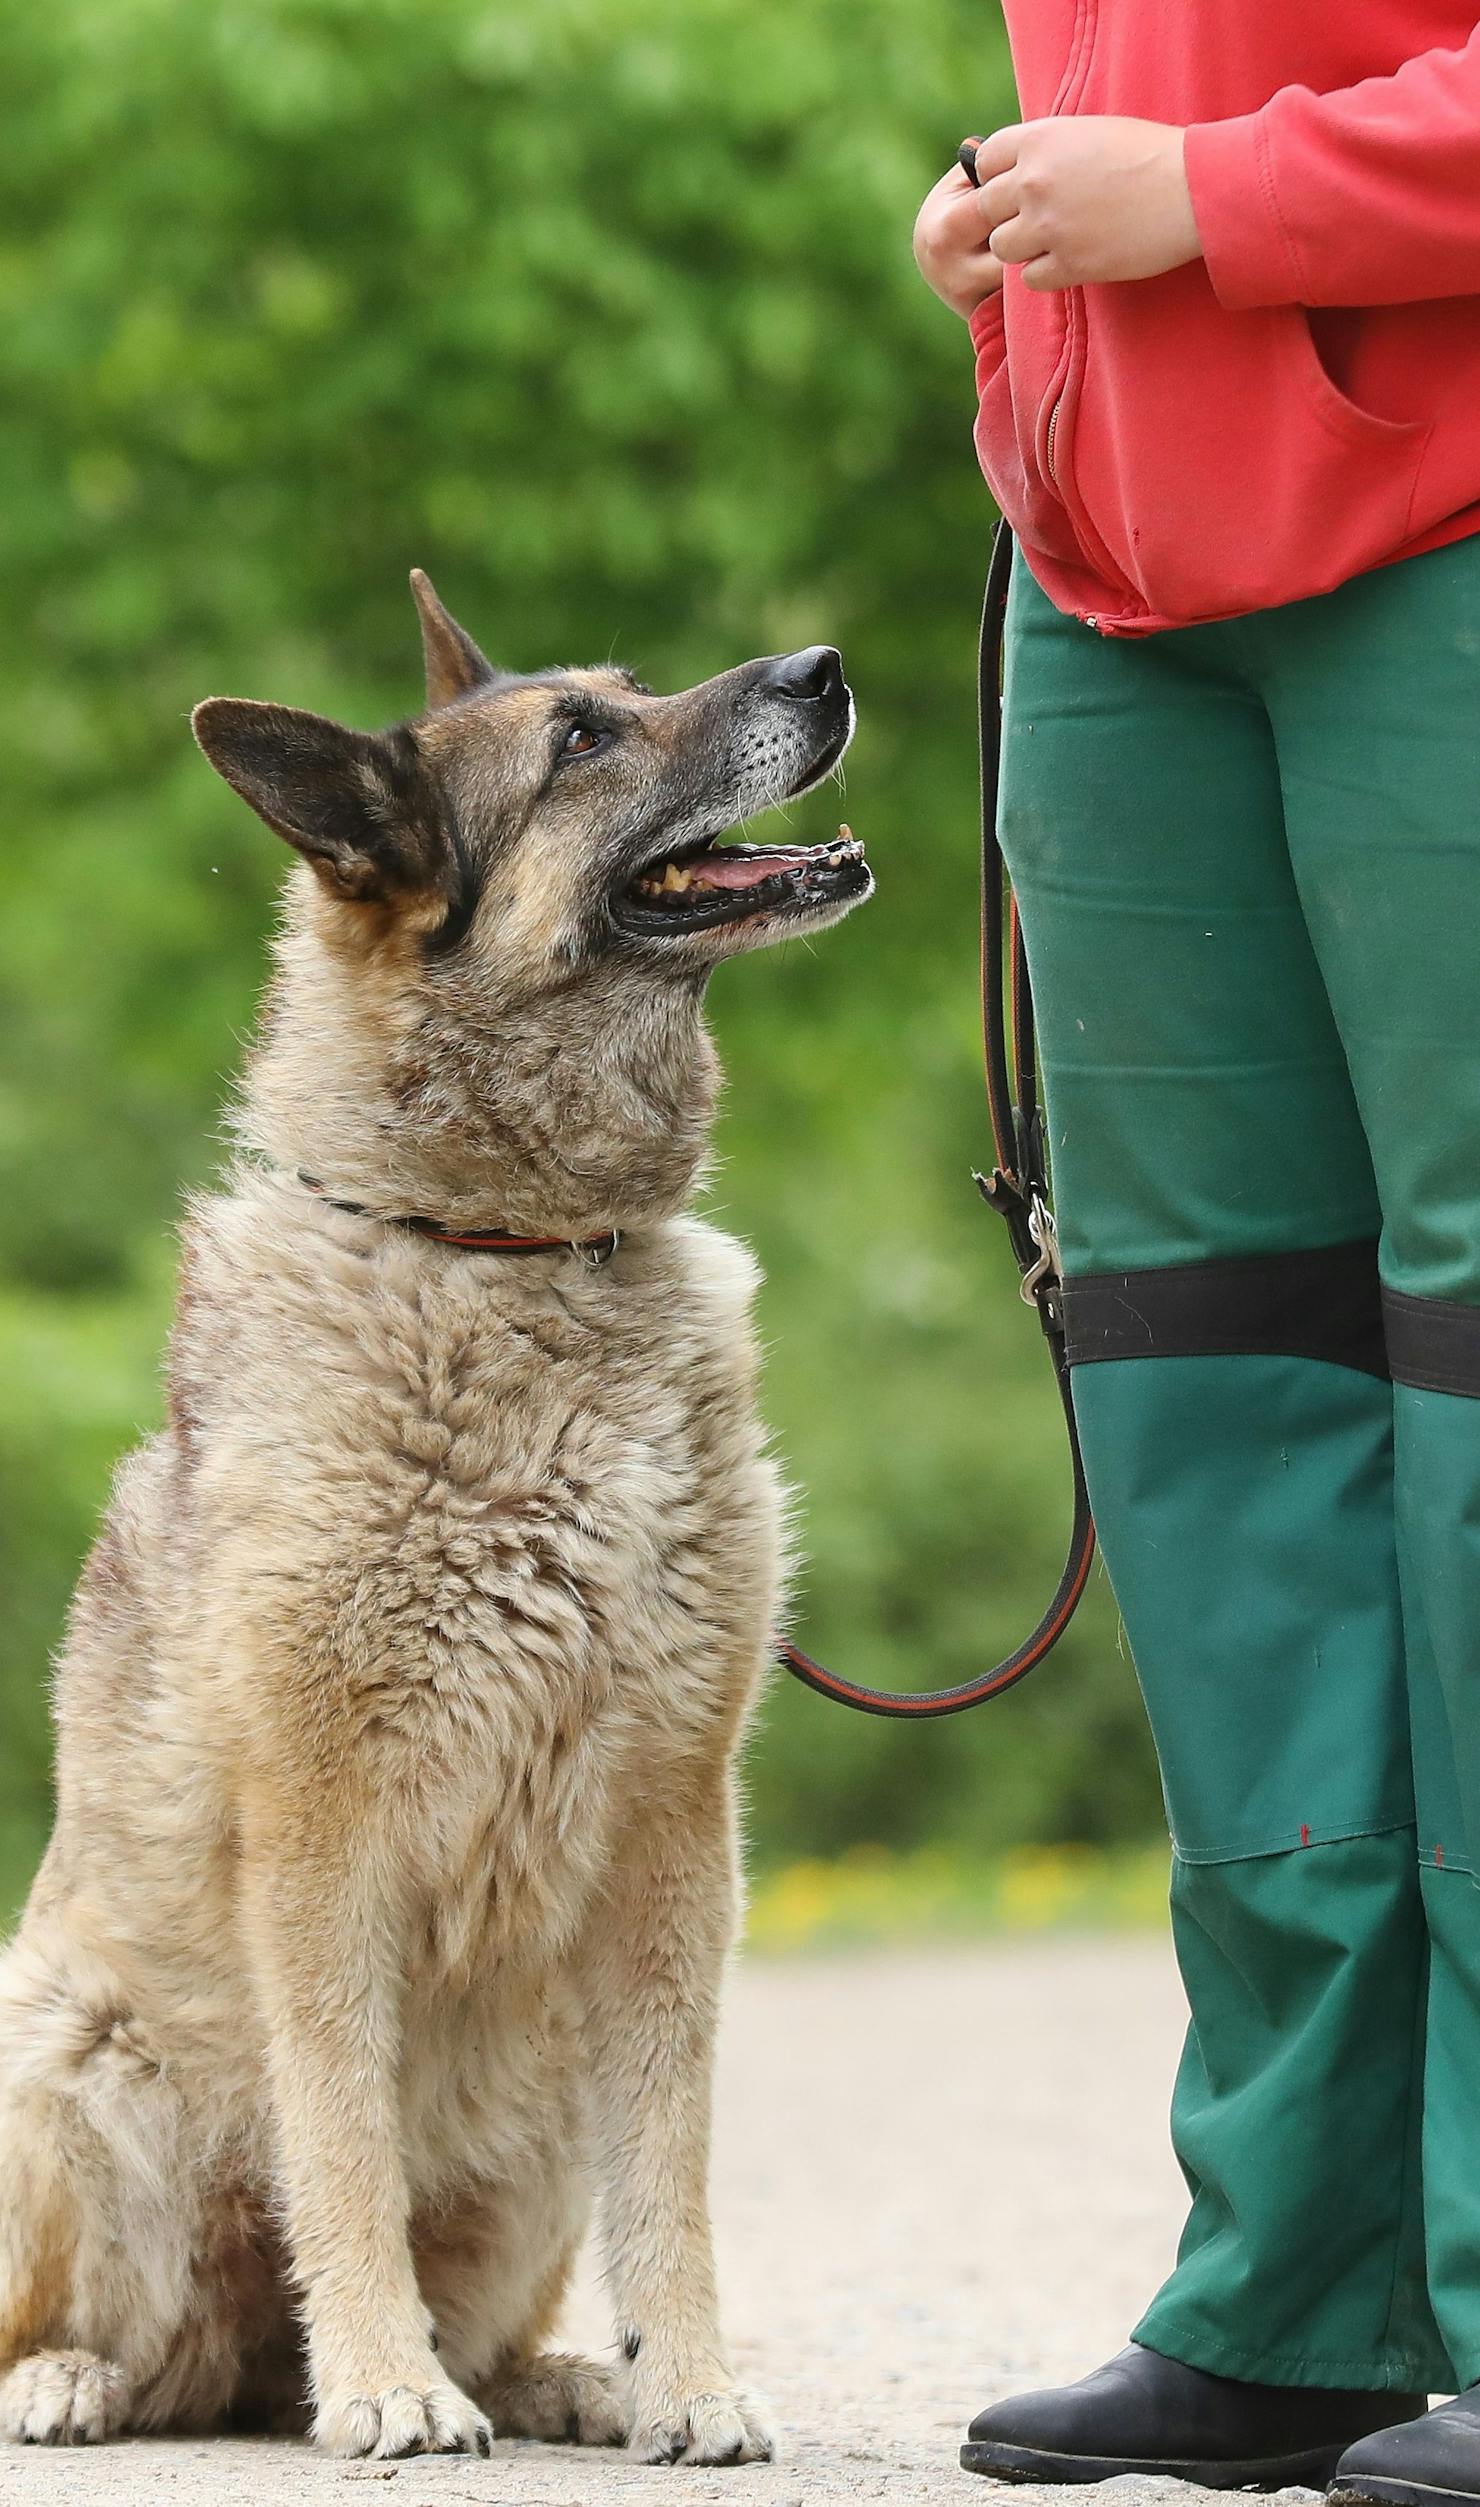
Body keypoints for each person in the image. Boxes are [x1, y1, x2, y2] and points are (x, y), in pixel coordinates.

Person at [911, 9, 1480, 2504]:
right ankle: (1296, 2281)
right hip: (1114, 593)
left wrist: (1226, 203)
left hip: (1444, 551)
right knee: (1209, 1384)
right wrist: (1019, 267)